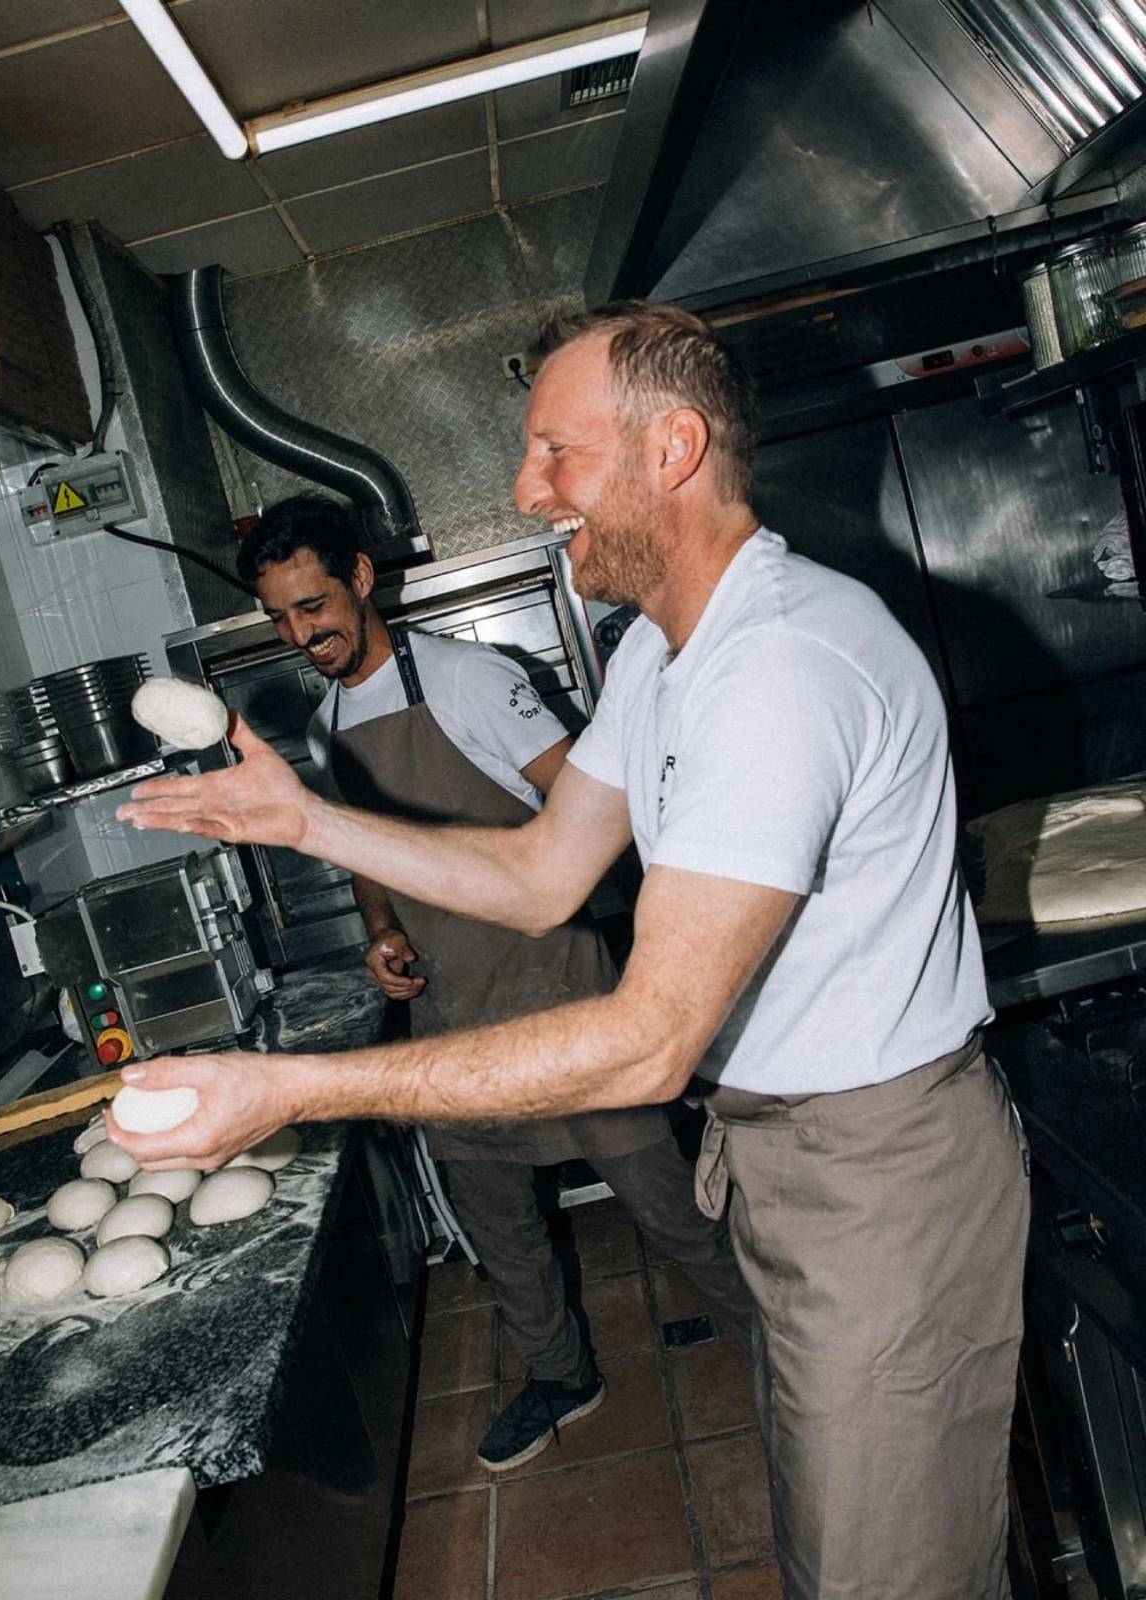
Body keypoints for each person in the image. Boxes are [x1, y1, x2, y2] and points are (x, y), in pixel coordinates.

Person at [114, 302, 1028, 1600]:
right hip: (779, 1152)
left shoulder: (778, 663)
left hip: (875, 1170)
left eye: (555, 451)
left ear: (671, 449)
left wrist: (296, 1091)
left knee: (887, 1578)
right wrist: (309, 819)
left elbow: (648, 1041)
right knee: (845, 1548)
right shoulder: (666, 650)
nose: (526, 488)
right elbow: (543, 872)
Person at [230, 491, 750, 1473]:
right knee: (496, 1221)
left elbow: (590, 805)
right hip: (453, 1012)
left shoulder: (466, 679)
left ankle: (777, 1340)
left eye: (313, 605)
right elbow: (365, 852)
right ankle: (559, 1374)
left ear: (360, 579)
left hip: (562, 994)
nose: (301, 634)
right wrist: (382, 929)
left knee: (668, 1203)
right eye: (280, 618)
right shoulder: (327, 724)